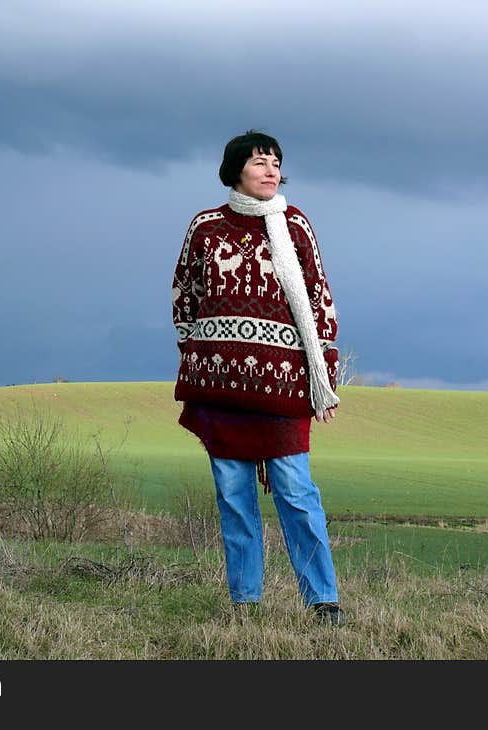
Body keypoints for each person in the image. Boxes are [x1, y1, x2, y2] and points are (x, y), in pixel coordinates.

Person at [171, 129, 345, 626]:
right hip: (220, 389)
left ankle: (323, 601)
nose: (270, 170)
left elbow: (319, 299)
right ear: (235, 171)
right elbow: (184, 295)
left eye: (275, 162)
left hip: (282, 389)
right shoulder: (204, 227)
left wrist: (323, 375)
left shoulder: (295, 226)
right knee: (234, 498)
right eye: (258, 162)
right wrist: (208, 353)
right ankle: (245, 603)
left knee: (296, 493)